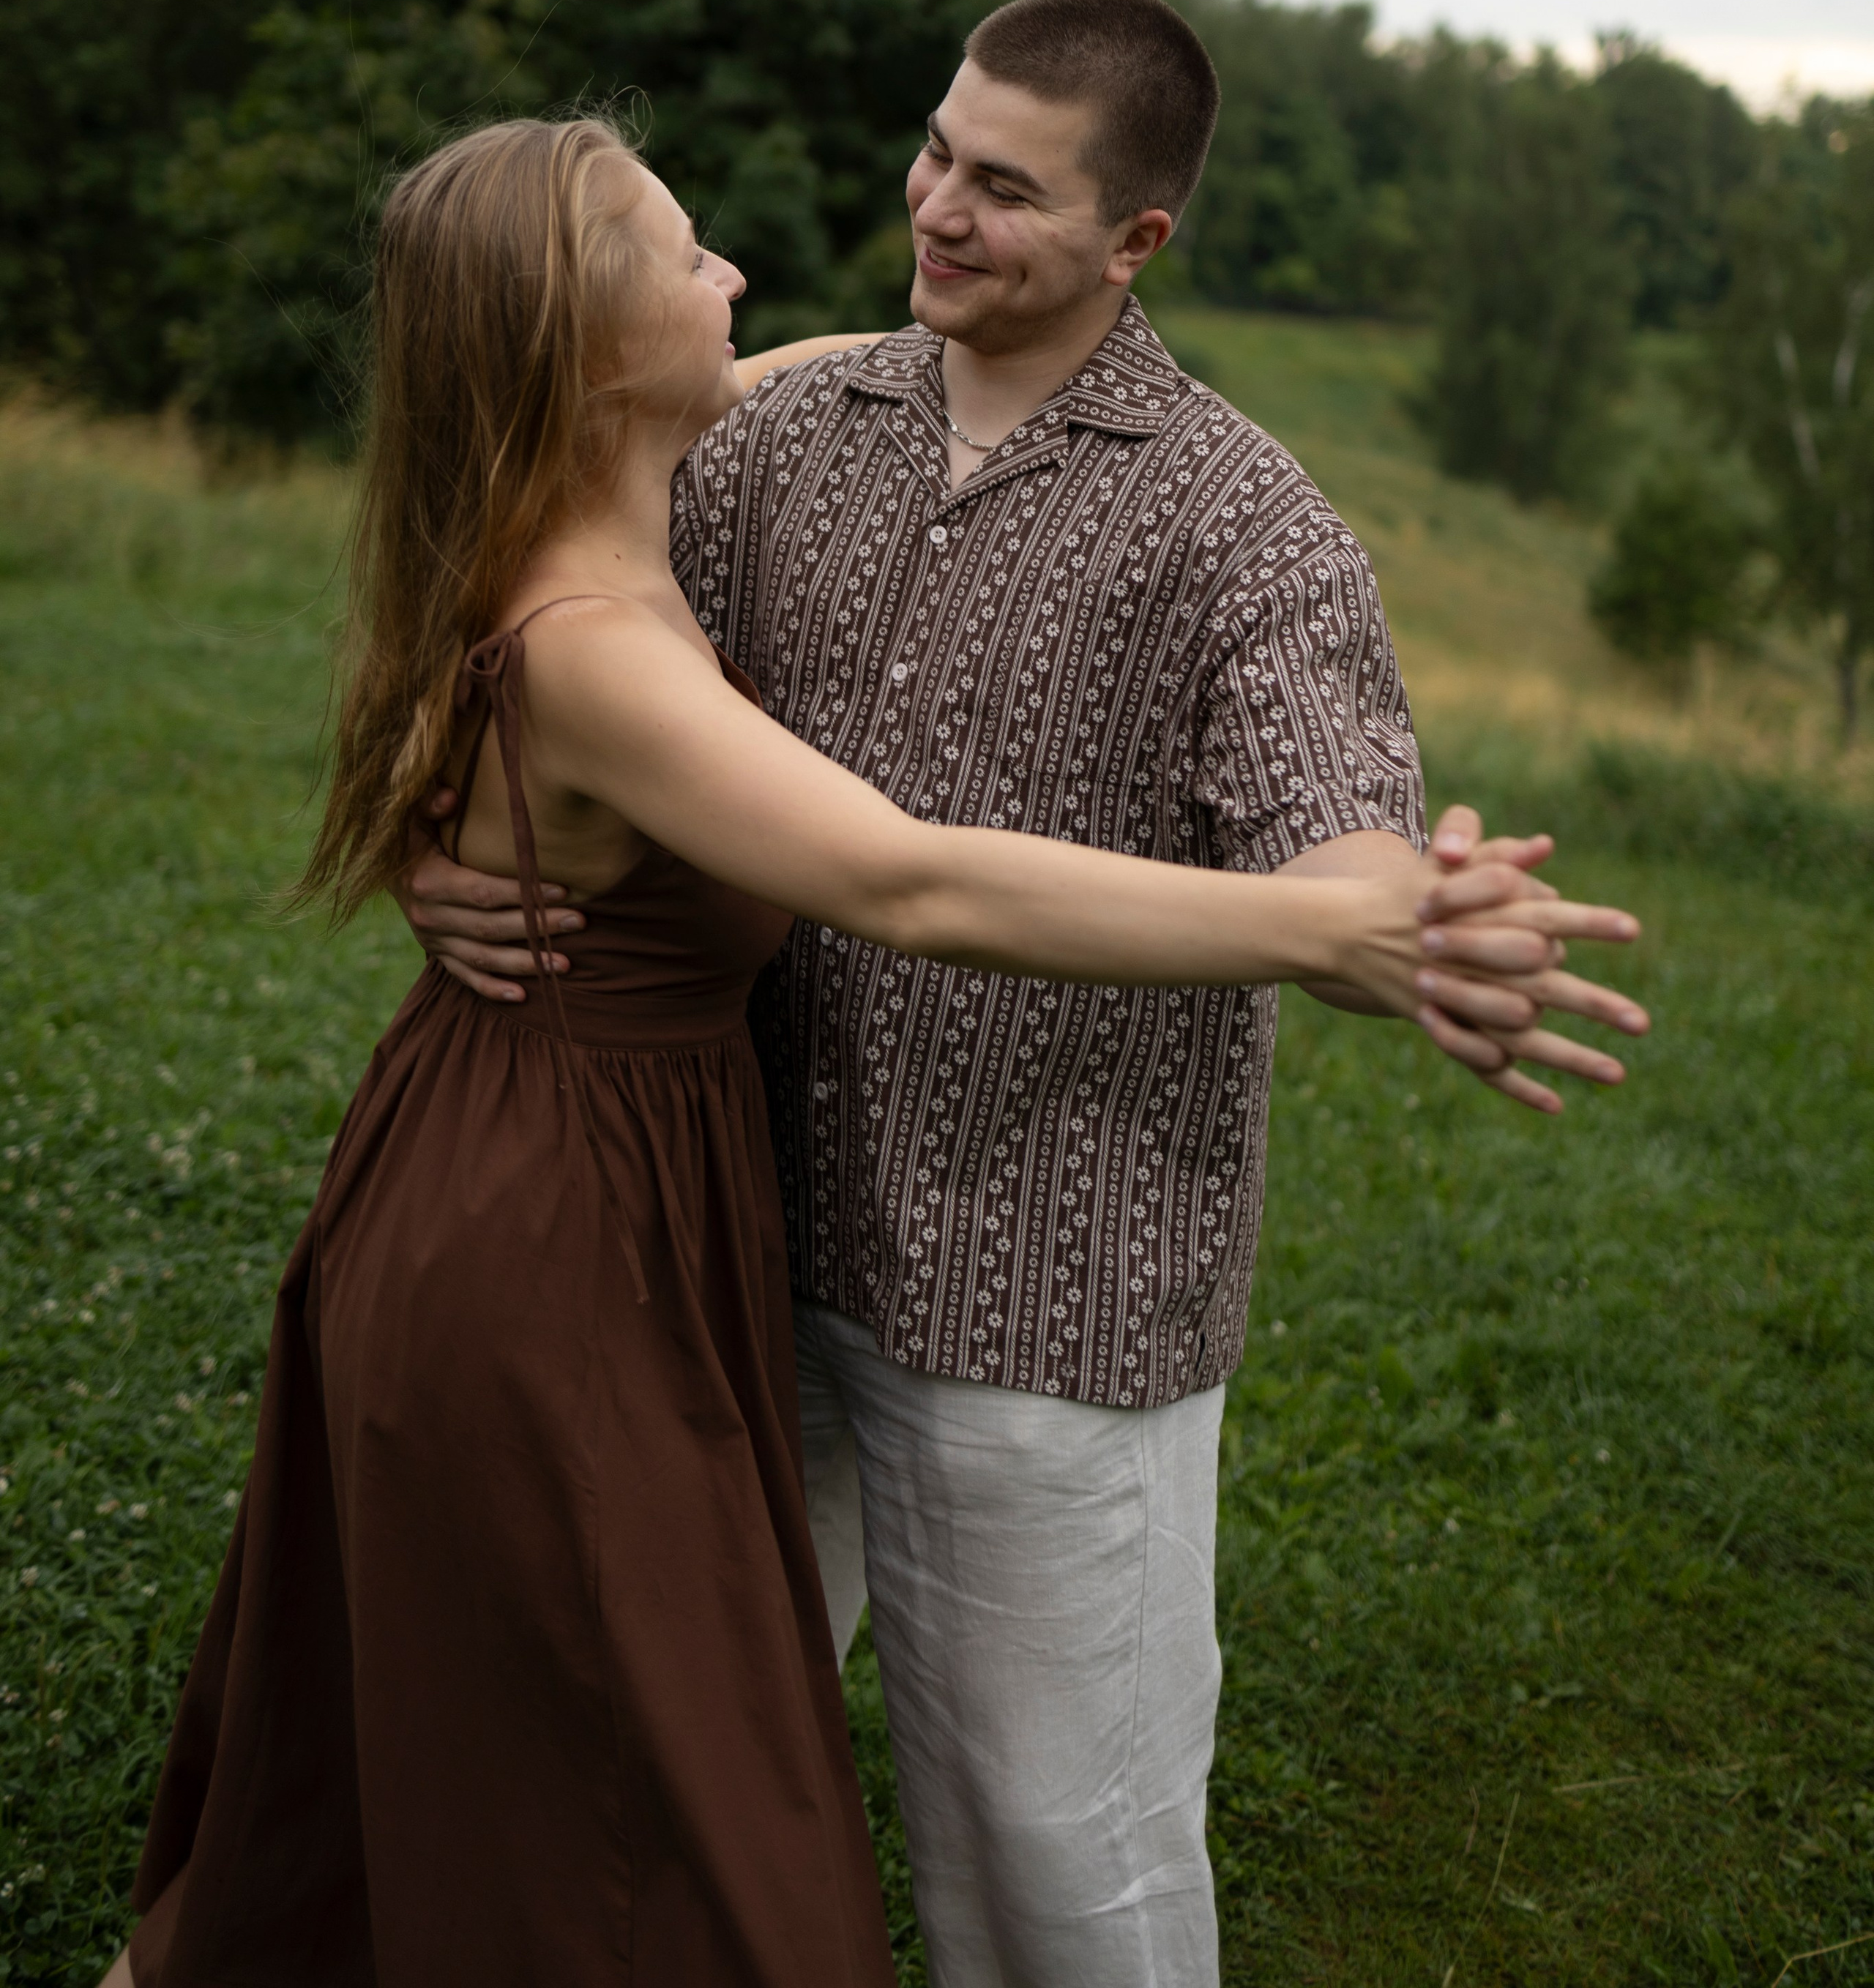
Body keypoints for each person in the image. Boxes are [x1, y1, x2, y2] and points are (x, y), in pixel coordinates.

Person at [103, 109, 1636, 1988]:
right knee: (613, 1784)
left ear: (1131, 234)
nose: (745, 274)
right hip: (553, 1242)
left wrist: (1372, 877)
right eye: (685, 256)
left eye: (1002, 186)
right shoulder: (613, 597)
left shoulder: (730, 470)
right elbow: (900, 879)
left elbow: (817, 366)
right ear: (582, 353)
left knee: (595, 1749)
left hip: (705, 1212)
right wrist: (1343, 923)